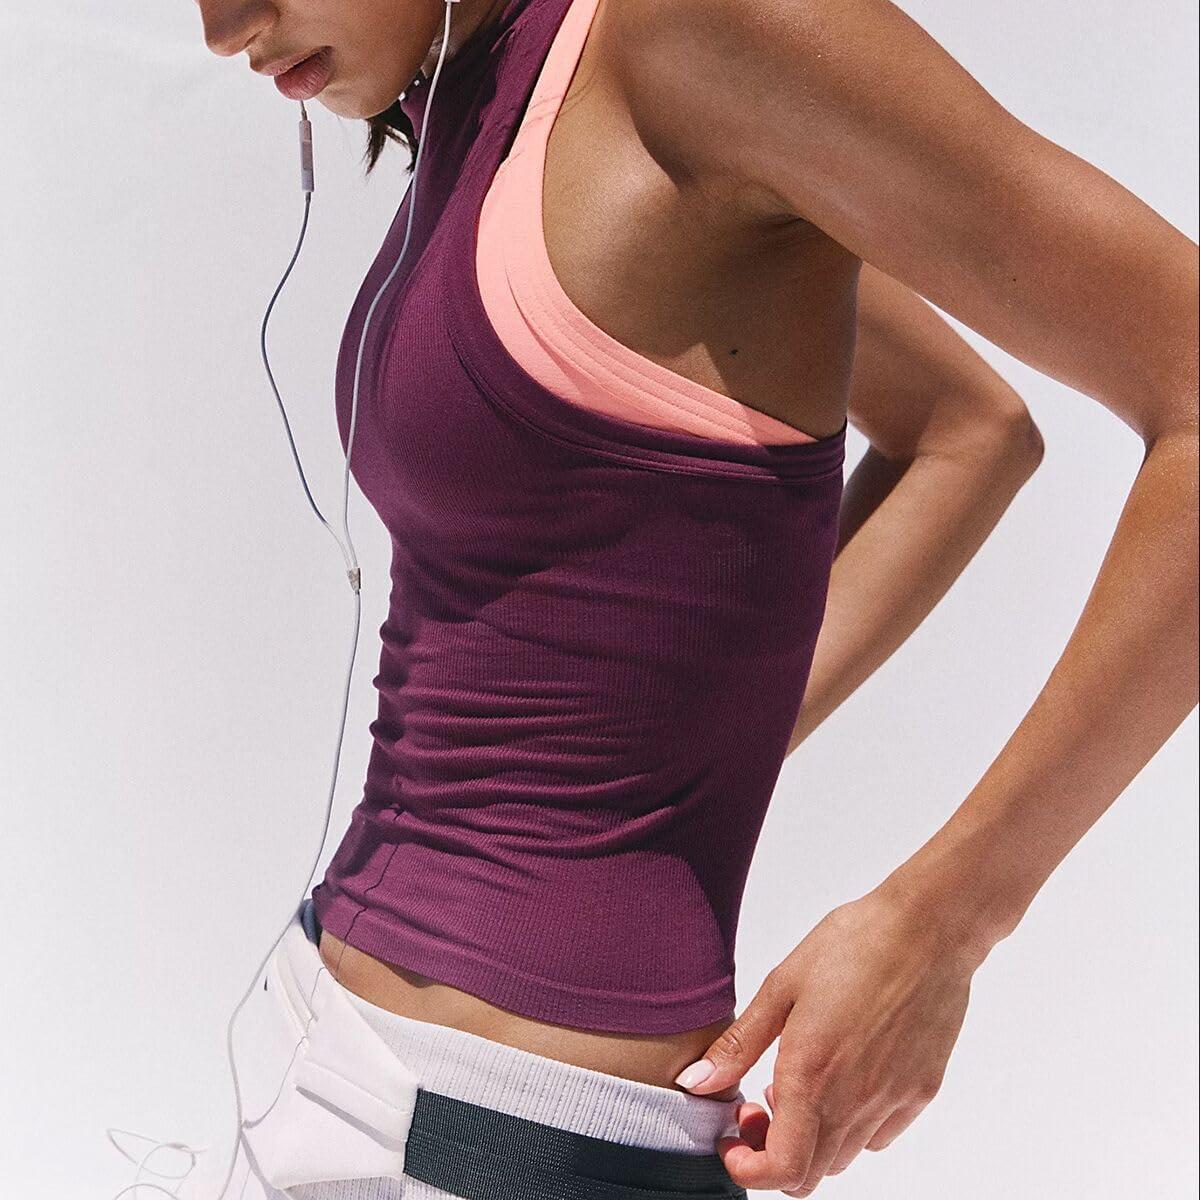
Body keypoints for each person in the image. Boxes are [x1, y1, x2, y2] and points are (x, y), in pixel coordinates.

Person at [193, 1, 1198, 1197]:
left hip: (505, 1136)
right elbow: (965, 427)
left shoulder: (694, 31)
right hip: (320, 1047)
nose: (220, 26)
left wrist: (944, 925)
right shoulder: (490, 92)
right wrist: (663, 741)